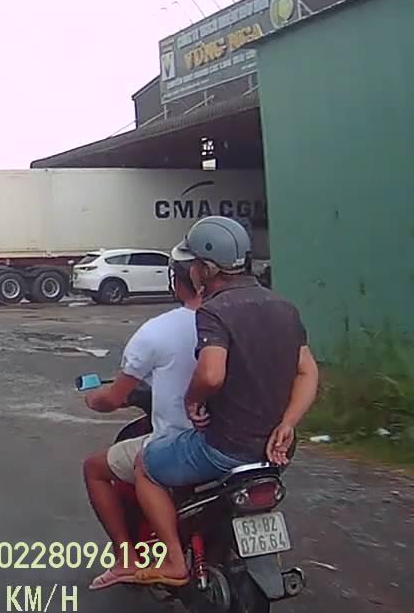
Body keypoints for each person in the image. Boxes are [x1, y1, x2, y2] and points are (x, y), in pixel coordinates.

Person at [130, 216, 319, 586]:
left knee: (145, 466)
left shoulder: (215, 310)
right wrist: (288, 423)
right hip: (274, 452)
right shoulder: (284, 306)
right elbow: (307, 372)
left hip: (225, 449)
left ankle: (174, 562)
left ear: (205, 269)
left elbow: (211, 374)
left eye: (193, 264)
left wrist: (192, 400)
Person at [83, 259, 202, 590]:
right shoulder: (237, 321)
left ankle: (128, 558)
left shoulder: (157, 331)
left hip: (182, 441)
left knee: (96, 468)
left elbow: (114, 397)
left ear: (177, 281)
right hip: (239, 440)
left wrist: (94, 399)